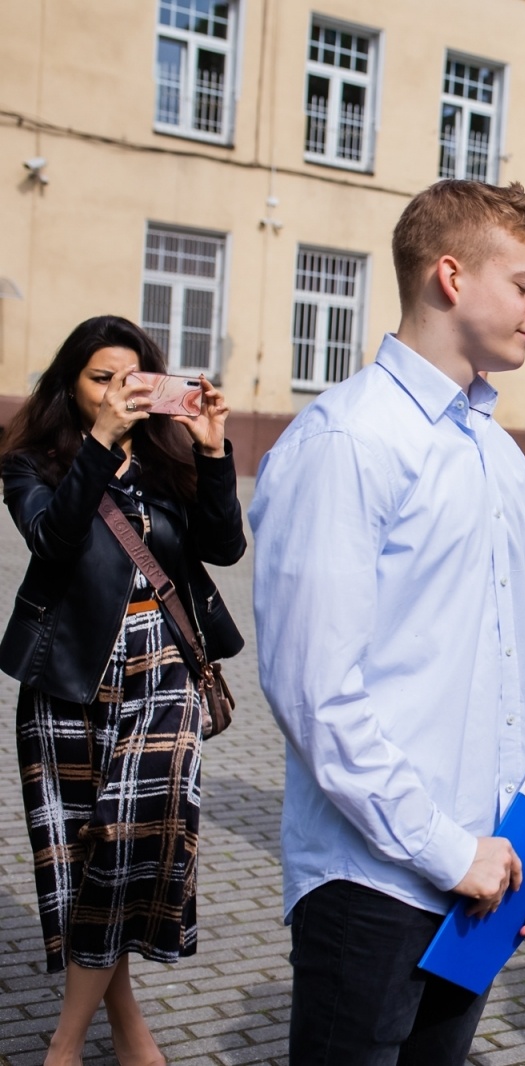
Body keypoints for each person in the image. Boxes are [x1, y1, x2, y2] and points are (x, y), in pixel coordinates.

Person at [250, 180, 525, 1065]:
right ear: (452, 277)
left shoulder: (495, 451)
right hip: (377, 876)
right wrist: (443, 847)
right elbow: (314, 692)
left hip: (486, 867)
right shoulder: (348, 440)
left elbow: (521, 666)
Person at [0, 315, 244, 1066]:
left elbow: (225, 547)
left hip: (164, 668)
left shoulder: (168, 457)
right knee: (84, 857)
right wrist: (101, 445)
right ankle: (127, 1020)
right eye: (99, 378)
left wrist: (213, 452)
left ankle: (64, 1045)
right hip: (69, 679)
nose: (115, 391)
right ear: (70, 383)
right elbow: (53, 540)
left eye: (128, 378)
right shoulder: (31, 463)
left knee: (132, 842)